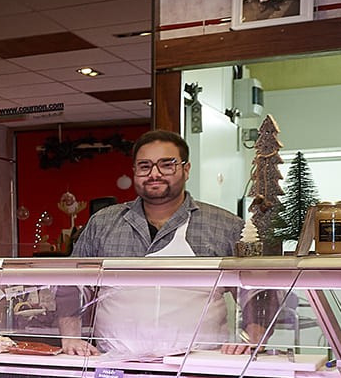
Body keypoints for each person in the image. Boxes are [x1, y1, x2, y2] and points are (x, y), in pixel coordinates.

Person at [59, 130, 264, 356]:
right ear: (135, 171)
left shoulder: (225, 225)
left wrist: (250, 338)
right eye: (145, 166)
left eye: (167, 165)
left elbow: (259, 292)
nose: (154, 174)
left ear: (186, 170)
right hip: (114, 364)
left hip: (200, 366)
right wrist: (71, 339)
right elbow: (72, 286)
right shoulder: (104, 222)